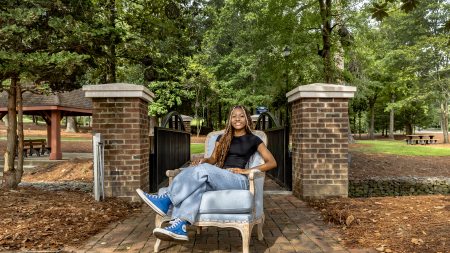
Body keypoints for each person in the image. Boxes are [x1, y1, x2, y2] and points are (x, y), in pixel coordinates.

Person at [136, 105, 277, 241]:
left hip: (238, 179)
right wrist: (204, 160)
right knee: (197, 187)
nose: (237, 119)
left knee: (201, 171)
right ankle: (180, 226)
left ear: (247, 119)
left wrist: (247, 170)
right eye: (234, 116)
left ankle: (167, 198)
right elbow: (214, 159)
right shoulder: (222, 137)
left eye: (241, 116)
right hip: (220, 176)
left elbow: (272, 162)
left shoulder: (253, 139)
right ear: (230, 119)